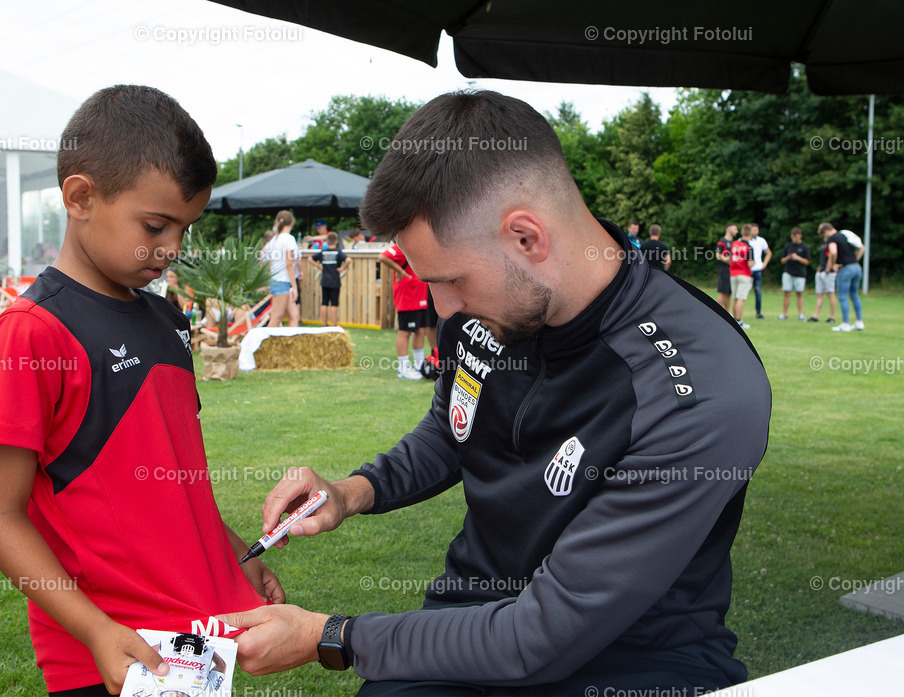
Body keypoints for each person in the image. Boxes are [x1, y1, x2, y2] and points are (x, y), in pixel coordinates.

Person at [221, 90, 771, 697]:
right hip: (469, 620)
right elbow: (453, 432)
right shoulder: (485, 312)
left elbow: (544, 635)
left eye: (451, 280)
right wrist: (349, 493)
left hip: (633, 660)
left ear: (526, 238)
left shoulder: (702, 389)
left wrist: (334, 635)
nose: (443, 309)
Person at [0, 85, 282, 696]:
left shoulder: (169, 322)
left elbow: (175, 478)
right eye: (156, 226)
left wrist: (233, 556)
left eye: (184, 229)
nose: (172, 251)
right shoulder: (30, 336)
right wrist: (93, 630)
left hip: (198, 646)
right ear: (81, 197)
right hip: (107, 656)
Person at [377, 241, 433, 380]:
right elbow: (383, 257)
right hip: (407, 296)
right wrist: (401, 272)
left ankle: (419, 365)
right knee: (405, 331)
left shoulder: (418, 245)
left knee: (420, 330)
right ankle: (403, 368)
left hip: (420, 294)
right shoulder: (403, 244)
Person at [821, 222, 865, 332]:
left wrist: (834, 264)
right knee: (854, 295)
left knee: (842, 296)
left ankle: (845, 323)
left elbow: (833, 252)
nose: (823, 237)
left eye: (822, 234)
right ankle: (859, 322)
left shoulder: (832, 238)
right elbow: (862, 247)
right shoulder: (846, 234)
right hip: (857, 267)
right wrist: (854, 260)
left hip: (846, 269)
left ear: (826, 231)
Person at [264, 210, 300, 327]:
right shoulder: (288, 239)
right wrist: (294, 287)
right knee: (277, 317)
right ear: (291, 223)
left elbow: (263, 255)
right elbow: (289, 263)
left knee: (294, 315)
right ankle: (264, 344)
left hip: (276, 280)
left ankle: (291, 344)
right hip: (282, 281)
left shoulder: (274, 239)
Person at [310, 232, 350, 326]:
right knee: (334, 303)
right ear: (336, 241)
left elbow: (310, 259)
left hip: (324, 280)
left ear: (327, 242)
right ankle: (334, 323)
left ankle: (324, 323)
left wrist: (318, 266)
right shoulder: (338, 252)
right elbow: (348, 260)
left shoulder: (323, 252)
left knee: (324, 302)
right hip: (335, 280)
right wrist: (342, 268)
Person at [778, 227, 810, 320]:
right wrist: (788, 257)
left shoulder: (804, 247)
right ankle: (784, 314)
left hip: (800, 273)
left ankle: (800, 314)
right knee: (786, 293)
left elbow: (807, 262)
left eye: (796, 237)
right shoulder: (788, 246)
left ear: (800, 236)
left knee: (799, 293)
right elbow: (782, 260)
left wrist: (798, 258)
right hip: (788, 272)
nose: (794, 239)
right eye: (793, 237)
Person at [807, 226, 838, 324]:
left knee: (830, 293)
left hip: (829, 272)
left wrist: (828, 269)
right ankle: (816, 316)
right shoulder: (824, 243)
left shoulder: (832, 242)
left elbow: (832, 256)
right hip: (821, 271)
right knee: (819, 294)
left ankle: (832, 317)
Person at [745, 223, 771, 319]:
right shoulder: (743, 241)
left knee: (758, 291)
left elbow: (768, 253)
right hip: (746, 270)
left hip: (757, 270)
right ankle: (738, 315)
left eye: (757, 230)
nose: (755, 232)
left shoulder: (761, 241)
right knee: (743, 292)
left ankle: (758, 312)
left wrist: (763, 265)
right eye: (754, 230)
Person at [729, 227, 754, 329]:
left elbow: (731, 258)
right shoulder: (749, 247)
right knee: (741, 298)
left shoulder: (734, 244)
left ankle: (734, 320)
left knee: (735, 297)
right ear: (750, 233)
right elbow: (750, 263)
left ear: (742, 233)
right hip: (744, 273)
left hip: (733, 273)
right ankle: (739, 320)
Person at [716, 224, 736, 313]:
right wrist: (726, 260)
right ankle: (717, 313)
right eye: (735, 229)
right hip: (724, 271)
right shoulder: (722, 241)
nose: (737, 231)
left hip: (732, 271)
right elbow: (718, 255)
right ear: (728, 229)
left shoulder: (734, 243)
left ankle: (727, 314)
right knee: (722, 293)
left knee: (728, 293)